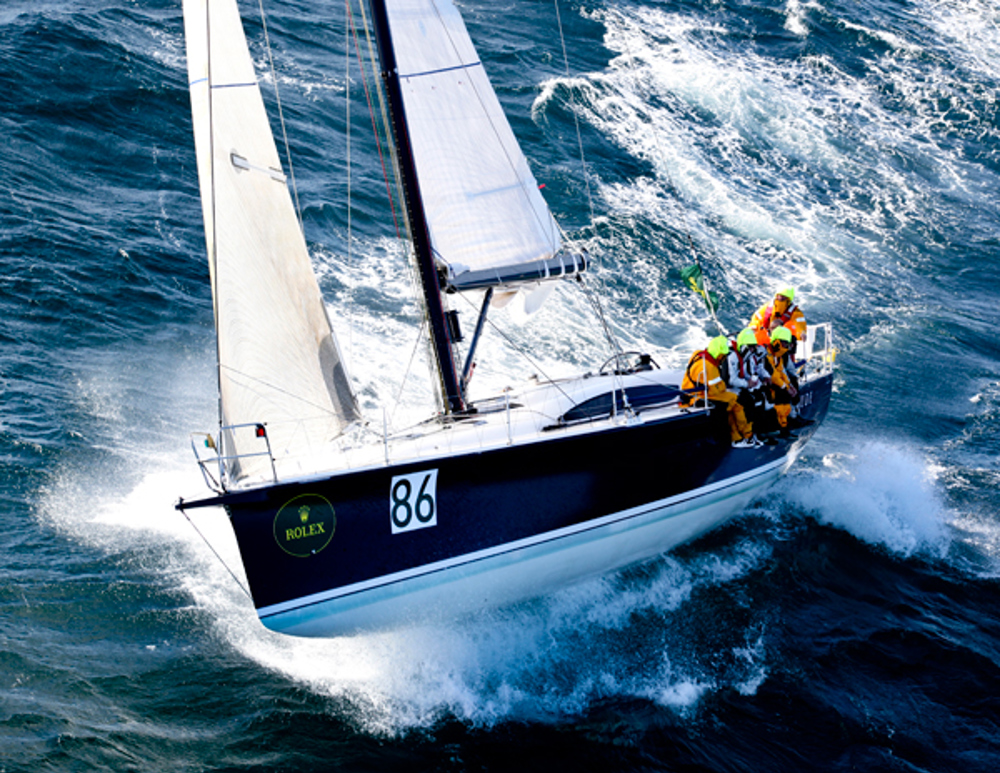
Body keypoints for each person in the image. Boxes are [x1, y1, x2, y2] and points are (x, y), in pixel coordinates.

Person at [680, 335, 758, 448]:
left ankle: (738, 437)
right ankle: (743, 436)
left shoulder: (699, 355)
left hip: (695, 393)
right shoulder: (709, 367)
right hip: (698, 396)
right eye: (723, 355)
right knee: (737, 403)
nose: (723, 358)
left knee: (733, 400)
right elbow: (717, 389)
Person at [749, 286, 807, 365]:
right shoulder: (767, 307)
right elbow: (756, 318)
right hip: (768, 337)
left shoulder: (795, 312)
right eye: (779, 296)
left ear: (788, 299)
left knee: (789, 342)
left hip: (784, 339)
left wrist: (802, 333)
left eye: (783, 297)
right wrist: (754, 326)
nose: (780, 298)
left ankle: (789, 364)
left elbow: (800, 324)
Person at [765, 326, 798, 437]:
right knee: (779, 397)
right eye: (784, 344)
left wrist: (789, 386)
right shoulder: (767, 354)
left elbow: (781, 372)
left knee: (785, 401)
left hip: (776, 383)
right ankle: (775, 428)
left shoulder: (777, 357)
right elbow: (773, 375)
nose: (785, 347)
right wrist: (785, 387)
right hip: (766, 384)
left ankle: (784, 427)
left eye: (787, 345)